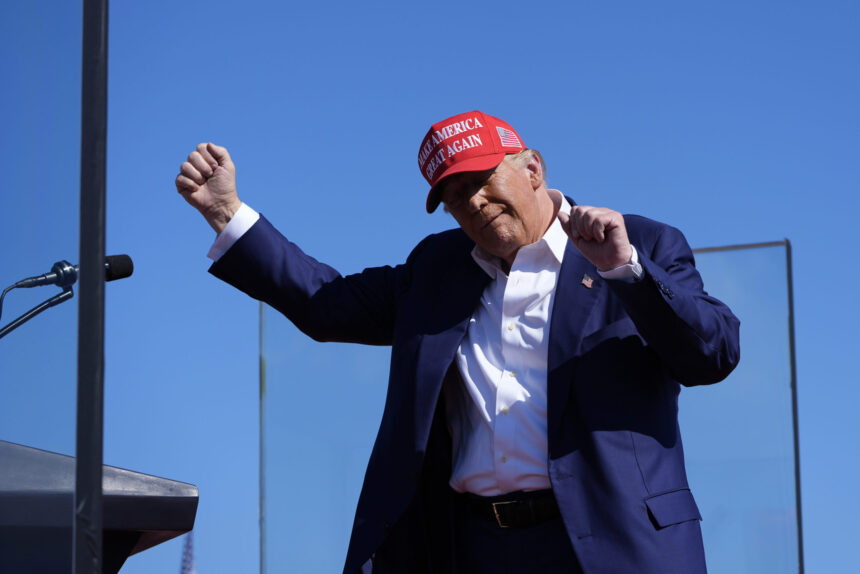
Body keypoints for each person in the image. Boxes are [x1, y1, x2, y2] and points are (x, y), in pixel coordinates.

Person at [175, 110, 740, 574]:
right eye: (454, 196)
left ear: (533, 168)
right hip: (474, 548)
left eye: (481, 180)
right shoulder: (437, 270)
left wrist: (629, 272)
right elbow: (328, 304)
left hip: (616, 544)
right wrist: (227, 212)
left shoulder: (638, 242)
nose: (472, 202)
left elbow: (712, 353)